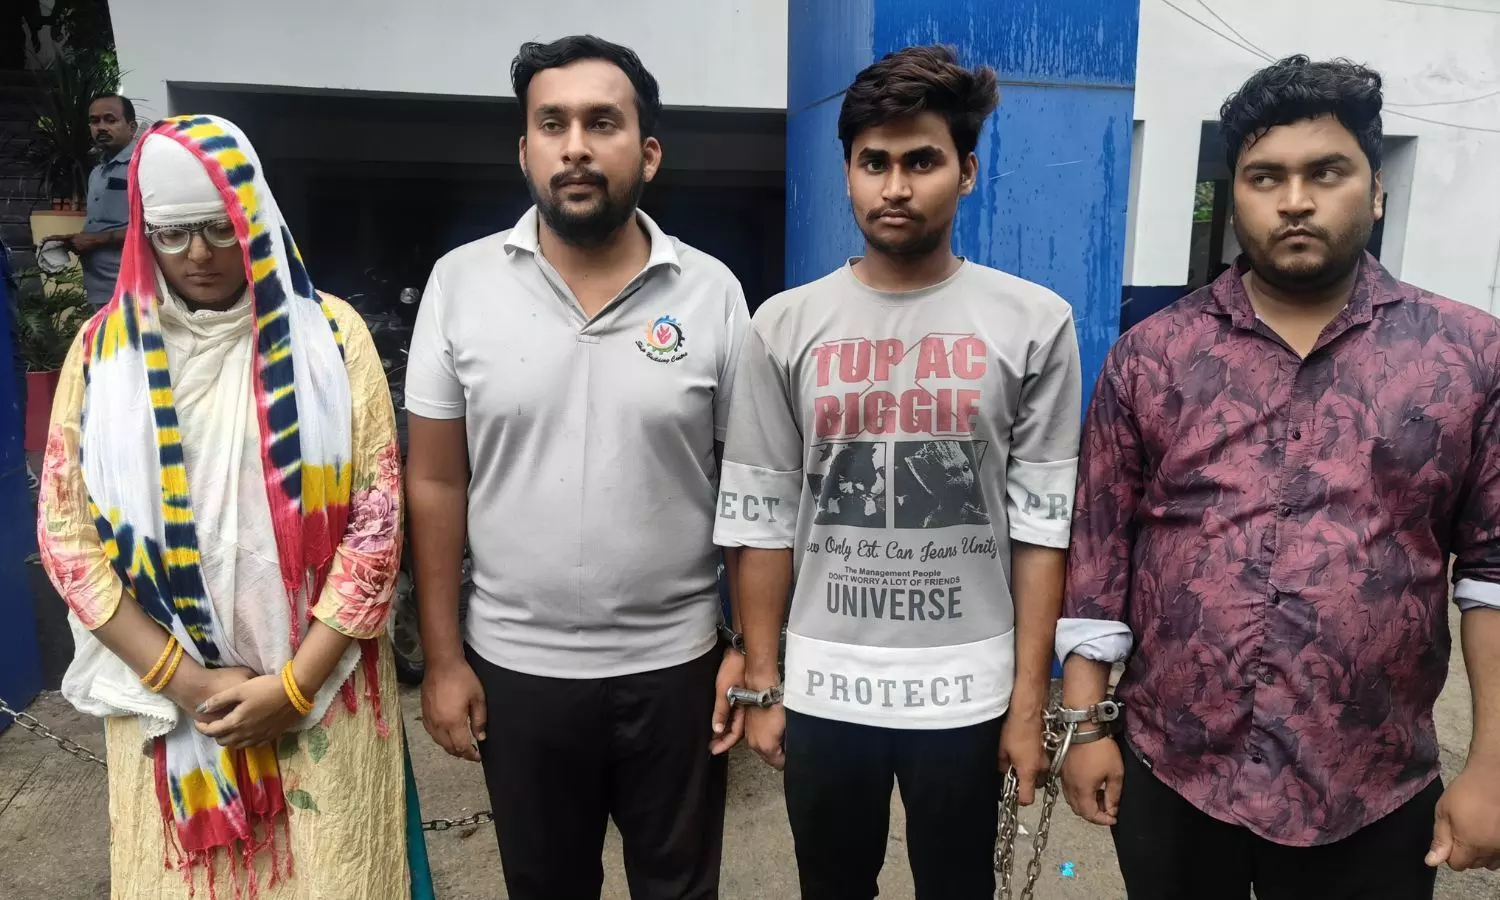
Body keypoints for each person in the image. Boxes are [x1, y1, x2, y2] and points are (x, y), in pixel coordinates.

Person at [1058, 56, 1500, 899]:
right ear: (1236, 197)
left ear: (1376, 190)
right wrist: (1085, 726)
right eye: (1265, 177)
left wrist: (1492, 768)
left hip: (1368, 782)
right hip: (1176, 767)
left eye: (1326, 173)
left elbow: (1492, 573)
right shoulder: (1154, 356)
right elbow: (1101, 549)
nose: (1295, 200)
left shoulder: (1467, 356)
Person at [716, 45, 1082, 899]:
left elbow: (1042, 527)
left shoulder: (1034, 322)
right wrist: (763, 678)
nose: (895, 186)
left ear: (967, 172)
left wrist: (1029, 702)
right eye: (873, 162)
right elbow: (761, 516)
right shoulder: (783, 325)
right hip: (826, 685)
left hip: (969, 691)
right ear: (847, 172)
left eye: (922, 161)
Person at [37, 114, 429, 899]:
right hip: (170, 707)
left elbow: (376, 525)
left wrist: (293, 688)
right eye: (174, 234)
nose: (200, 254)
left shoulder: (331, 338)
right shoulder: (102, 355)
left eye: (221, 227)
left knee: (335, 876)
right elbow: (66, 536)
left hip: (322, 701)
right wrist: (186, 682)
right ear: (144, 233)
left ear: (255, 214)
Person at [404, 35, 750, 900]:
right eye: (552, 124)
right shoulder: (460, 284)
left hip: (678, 667)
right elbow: (436, 481)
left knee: (681, 890)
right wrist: (443, 659)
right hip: (516, 670)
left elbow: (751, 486)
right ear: (524, 150)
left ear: (648, 152)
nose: (576, 147)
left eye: (603, 123)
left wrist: (750, 647)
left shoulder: (710, 292)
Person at [42, 92, 138, 308]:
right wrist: (70, 240)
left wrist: (97, 239)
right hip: (99, 286)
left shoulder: (141, 165)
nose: (101, 127)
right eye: (95, 121)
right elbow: (104, 226)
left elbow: (155, 228)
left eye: (110, 120)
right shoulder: (97, 172)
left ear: (131, 127)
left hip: (132, 288)